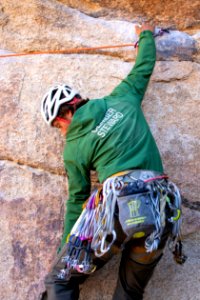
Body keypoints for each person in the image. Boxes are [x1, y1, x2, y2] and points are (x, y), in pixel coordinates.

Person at [40, 23, 173, 300]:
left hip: (119, 212)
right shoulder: (122, 98)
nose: (62, 132)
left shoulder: (74, 147)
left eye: (58, 126)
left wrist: (67, 248)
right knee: (129, 291)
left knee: (60, 279)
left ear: (64, 116)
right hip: (160, 212)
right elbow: (143, 66)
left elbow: (78, 199)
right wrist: (145, 35)